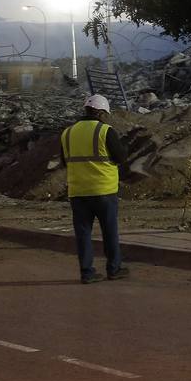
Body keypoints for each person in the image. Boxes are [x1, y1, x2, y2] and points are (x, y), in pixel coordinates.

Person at [60, 94, 128, 283]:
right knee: (109, 231)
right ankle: (114, 269)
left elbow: (65, 161)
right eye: (105, 113)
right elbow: (121, 157)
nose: (106, 117)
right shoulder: (105, 131)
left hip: (78, 191)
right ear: (100, 112)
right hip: (104, 191)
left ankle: (87, 272)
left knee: (83, 233)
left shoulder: (67, 133)